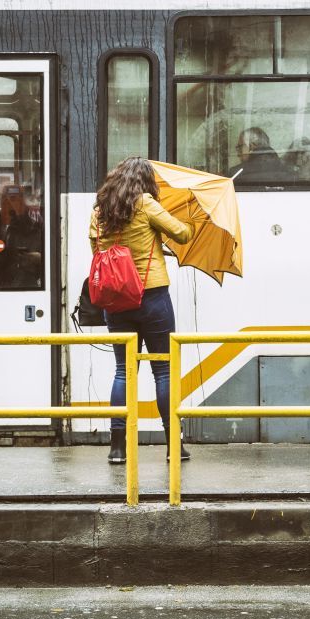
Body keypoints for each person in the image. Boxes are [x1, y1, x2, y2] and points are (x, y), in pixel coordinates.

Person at [89, 156, 193, 465]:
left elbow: (98, 251)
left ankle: (117, 447)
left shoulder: (100, 210)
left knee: (124, 370)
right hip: (152, 296)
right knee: (162, 369)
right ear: (144, 181)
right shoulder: (146, 203)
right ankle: (174, 446)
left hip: (117, 300)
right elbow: (183, 234)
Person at [227, 127, 298, 184]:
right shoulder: (289, 170)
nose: (238, 154)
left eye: (239, 147)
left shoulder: (235, 174)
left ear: (251, 146)